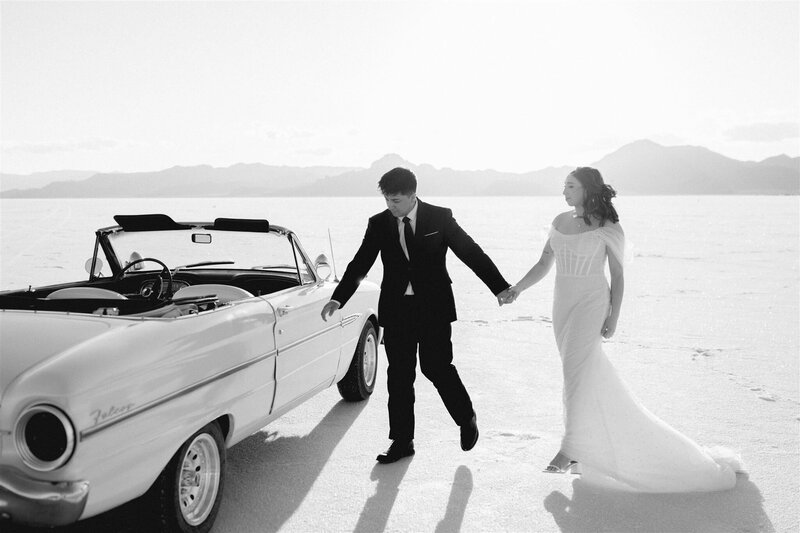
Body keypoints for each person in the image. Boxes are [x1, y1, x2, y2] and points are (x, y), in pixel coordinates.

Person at [505, 167, 742, 492]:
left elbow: (617, 276)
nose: (564, 192)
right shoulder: (559, 221)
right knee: (576, 376)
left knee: (575, 372)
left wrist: (613, 317)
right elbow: (544, 264)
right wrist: (517, 288)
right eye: (564, 186)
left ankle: (568, 450)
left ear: (587, 189)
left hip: (592, 303)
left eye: (571, 186)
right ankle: (582, 451)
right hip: (562, 306)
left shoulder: (608, 227)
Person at [321, 167, 513, 464]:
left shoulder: (440, 217)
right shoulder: (379, 224)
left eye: (396, 200)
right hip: (397, 309)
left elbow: (470, 252)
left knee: (436, 367)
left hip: (433, 307)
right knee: (399, 375)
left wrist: (499, 287)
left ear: (413, 195)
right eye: (387, 199)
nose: (391, 206)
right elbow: (360, 262)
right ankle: (402, 440)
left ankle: (466, 417)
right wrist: (338, 298)